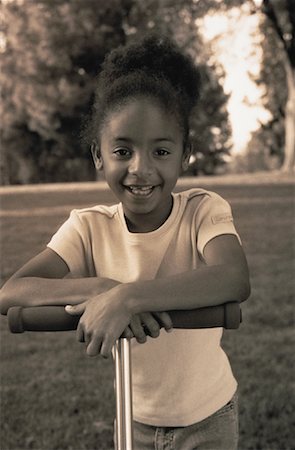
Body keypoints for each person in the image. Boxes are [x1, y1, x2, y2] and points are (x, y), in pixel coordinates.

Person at [0, 34, 250, 449]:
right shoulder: (88, 227)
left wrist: (131, 298)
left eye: (161, 152)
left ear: (185, 153)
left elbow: (233, 278)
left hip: (209, 417)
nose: (141, 169)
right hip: (133, 417)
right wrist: (103, 290)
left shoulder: (203, 211)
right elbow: (11, 293)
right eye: (121, 151)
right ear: (98, 155)